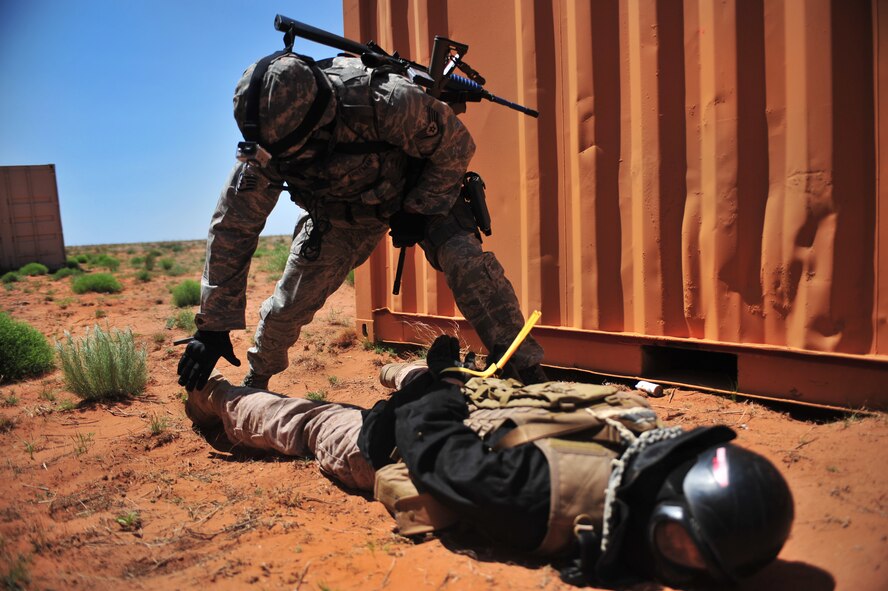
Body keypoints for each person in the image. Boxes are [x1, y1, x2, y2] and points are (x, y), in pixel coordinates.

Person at [183, 335, 794, 588]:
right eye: (680, 543)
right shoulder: (638, 454)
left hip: (403, 446)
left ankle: (215, 398)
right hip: (488, 417)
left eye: (688, 561)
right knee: (428, 383)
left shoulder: (549, 499)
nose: (673, 562)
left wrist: (425, 402)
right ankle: (415, 373)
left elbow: (442, 460)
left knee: (312, 422)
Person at [176, 43, 546, 394]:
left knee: (468, 266)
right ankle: (257, 381)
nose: (286, 163)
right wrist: (214, 324)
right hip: (341, 214)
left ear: (322, 120)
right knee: (288, 305)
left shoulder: (386, 101)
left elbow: (456, 146)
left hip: (419, 191)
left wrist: (417, 208)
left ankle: (524, 371)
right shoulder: (268, 146)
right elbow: (233, 228)